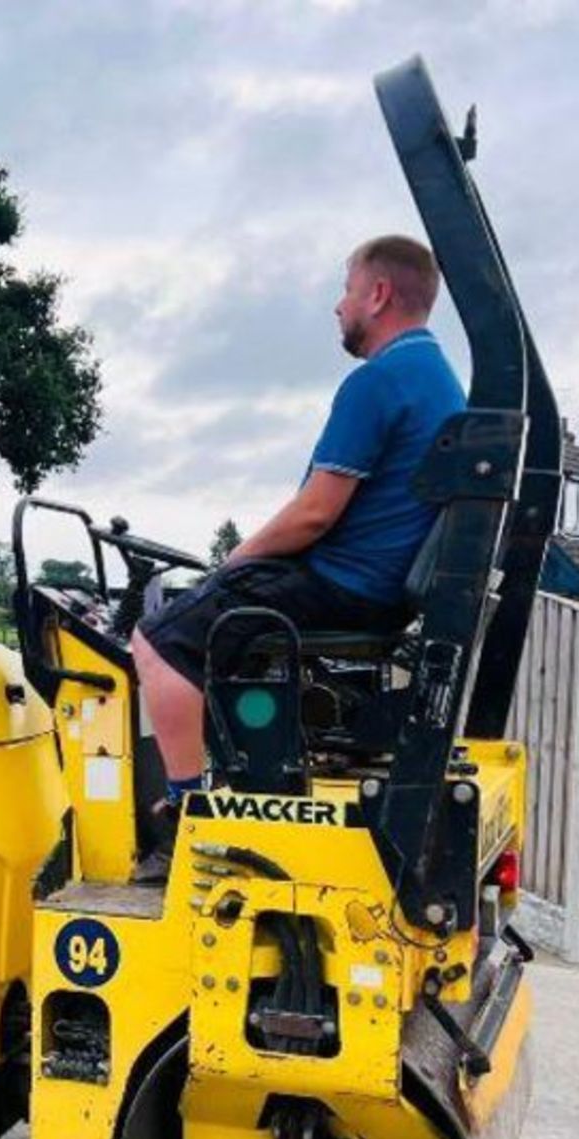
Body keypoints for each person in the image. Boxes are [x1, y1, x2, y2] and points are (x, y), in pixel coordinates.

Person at [128, 234, 467, 881]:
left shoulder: (378, 382)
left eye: (345, 289)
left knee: (157, 642)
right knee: (204, 625)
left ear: (379, 293)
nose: (338, 307)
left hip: (344, 583)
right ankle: (225, 775)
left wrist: (231, 562)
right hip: (380, 588)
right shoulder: (439, 380)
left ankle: (185, 821)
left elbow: (314, 513)